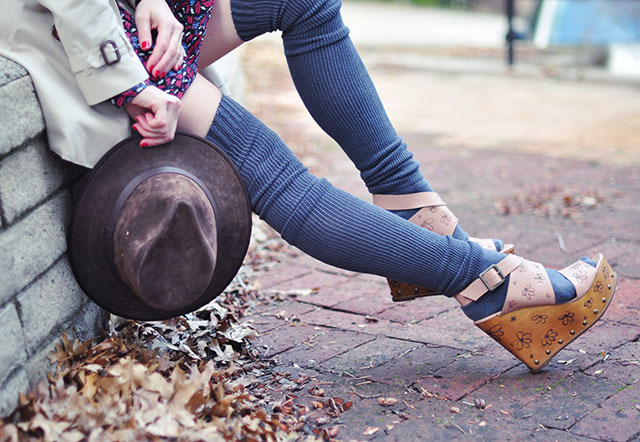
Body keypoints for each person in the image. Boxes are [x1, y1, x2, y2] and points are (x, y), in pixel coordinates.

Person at [0, 0, 615, 372]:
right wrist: (132, 85)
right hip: (91, 45)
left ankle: (416, 214)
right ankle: (484, 279)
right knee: (274, 173)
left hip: (131, 15)